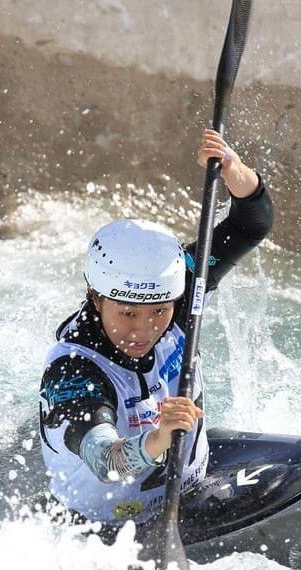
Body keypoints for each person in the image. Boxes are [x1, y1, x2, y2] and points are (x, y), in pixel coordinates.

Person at [38, 129, 273, 530]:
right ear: (96, 298)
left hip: (191, 494)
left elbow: (251, 224)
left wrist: (233, 169)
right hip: (103, 529)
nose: (144, 329)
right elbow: (106, 462)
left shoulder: (183, 290)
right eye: (127, 314)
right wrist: (159, 438)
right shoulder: (74, 370)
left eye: (158, 312)